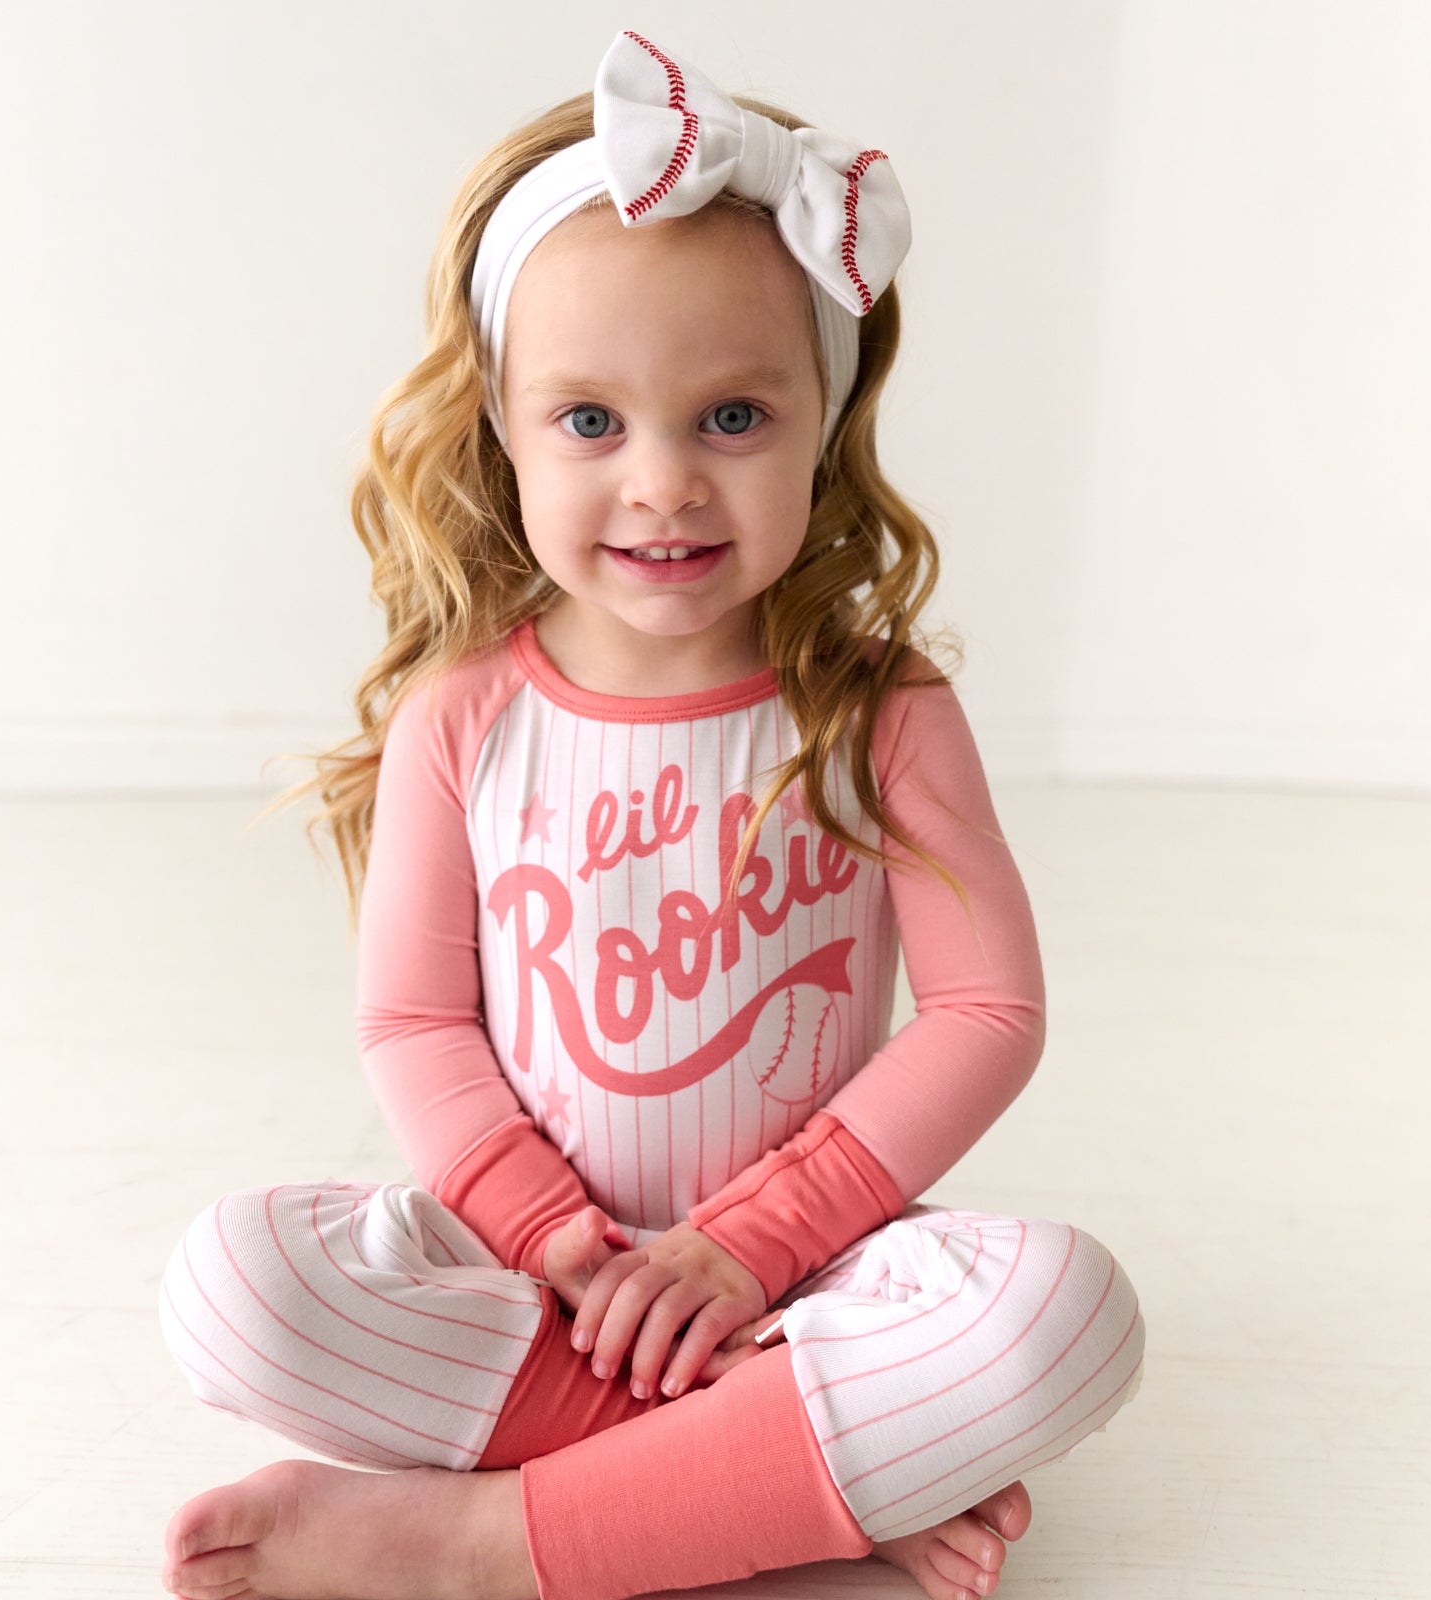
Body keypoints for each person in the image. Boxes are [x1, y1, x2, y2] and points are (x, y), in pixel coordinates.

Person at [155, 28, 1145, 1600]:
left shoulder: (879, 712)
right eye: (593, 422)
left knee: (1068, 1317)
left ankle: (489, 1543)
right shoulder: (463, 718)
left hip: (814, 1271)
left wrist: (757, 1243)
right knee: (229, 1289)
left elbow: (986, 1010)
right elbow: (415, 1027)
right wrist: (550, 1237)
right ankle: (778, 1472)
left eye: (734, 418)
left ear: (825, 410)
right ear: (501, 417)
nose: (667, 483)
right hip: (536, 1270)